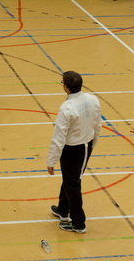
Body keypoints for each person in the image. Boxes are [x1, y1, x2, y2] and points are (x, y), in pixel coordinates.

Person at [47, 71, 101, 234]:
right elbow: (98, 123)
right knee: (70, 179)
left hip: (75, 150)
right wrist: (94, 142)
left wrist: (51, 161)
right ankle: (63, 210)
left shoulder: (66, 108)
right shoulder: (93, 99)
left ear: (66, 87)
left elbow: (59, 137)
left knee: (73, 183)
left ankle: (79, 223)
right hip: (85, 146)